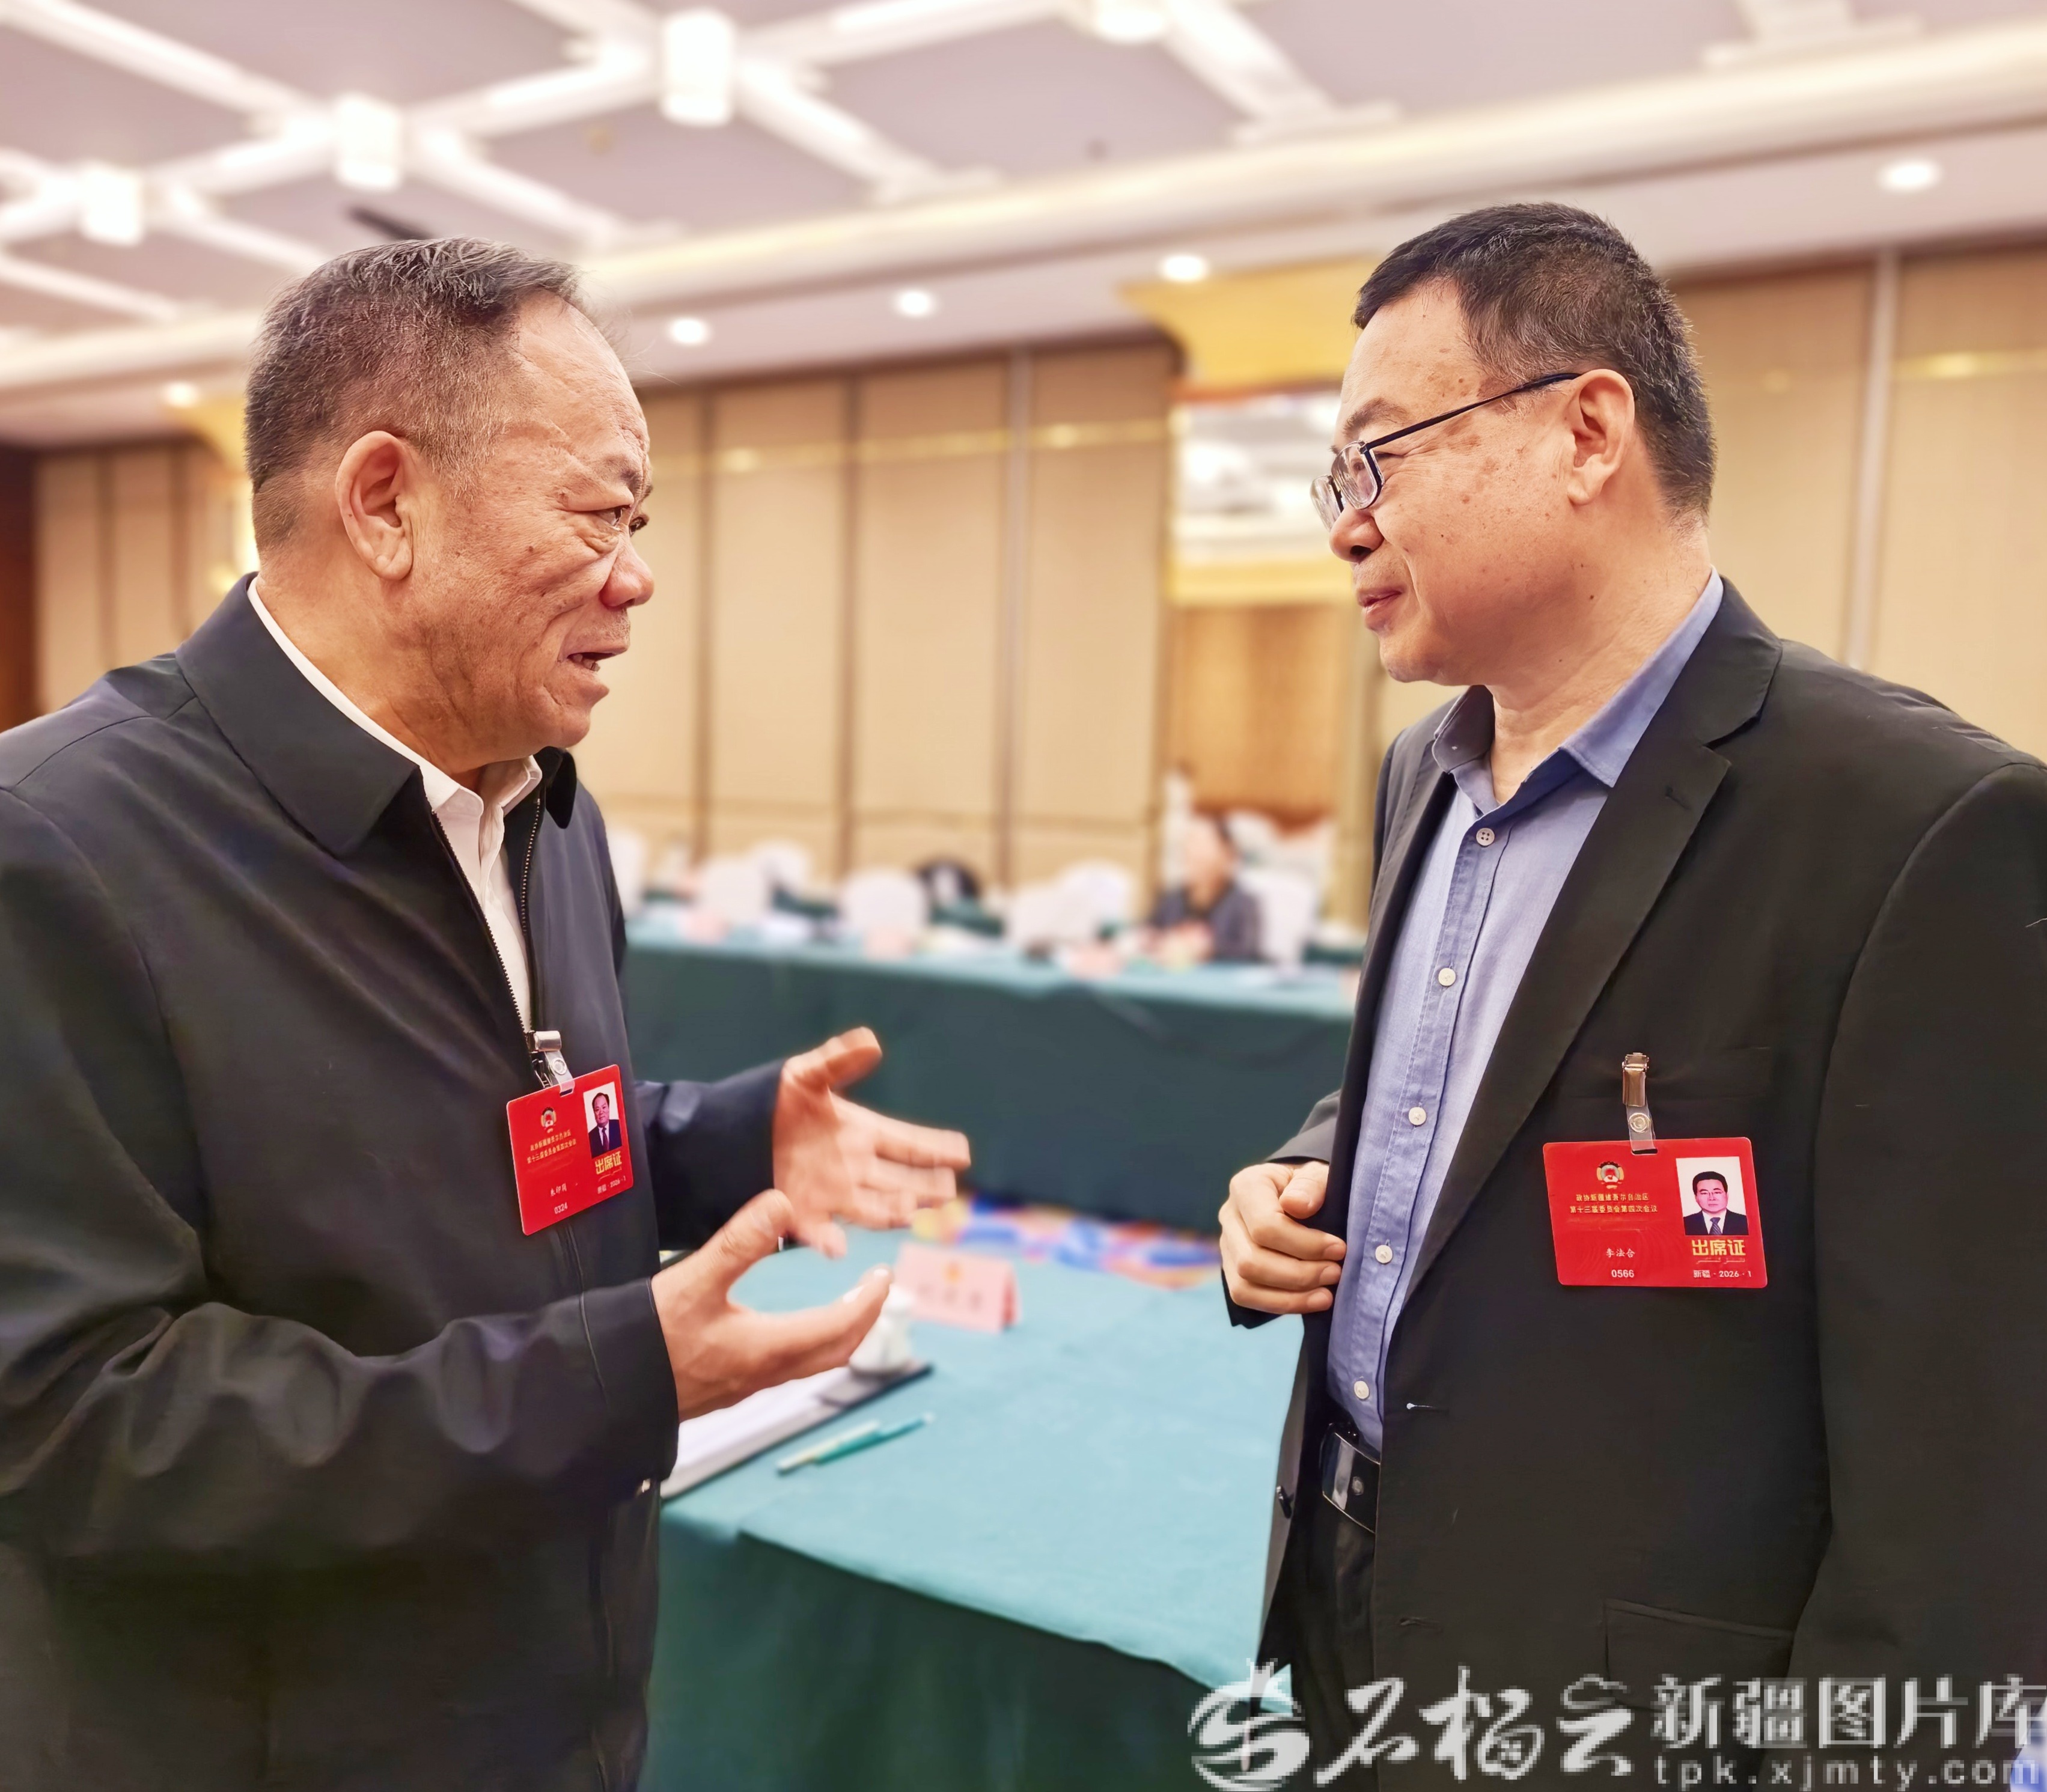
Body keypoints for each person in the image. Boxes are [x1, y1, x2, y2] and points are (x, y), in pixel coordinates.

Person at [0, 239, 971, 1792]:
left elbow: (481, 1147)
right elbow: (72, 1421)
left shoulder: (538, 810)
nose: (636, 576)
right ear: (386, 503)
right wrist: (606, 1378)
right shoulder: (58, 847)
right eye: (598, 512)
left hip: (559, 1706)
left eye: (639, 523)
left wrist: (715, 1143)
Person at [1218, 203, 2047, 1777]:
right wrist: (1314, 1163)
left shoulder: (1915, 827)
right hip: (1352, 1615)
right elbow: (1490, 1079)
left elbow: (1967, 1490)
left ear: (1584, 432)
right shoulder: (1422, 771)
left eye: (1375, 456)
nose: (1343, 525)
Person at [1147, 811, 1263, 963]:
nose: (1191, 851)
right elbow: (1149, 934)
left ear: (1226, 852)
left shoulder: (1244, 904)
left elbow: (1248, 952)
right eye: (1189, 842)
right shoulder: (1171, 900)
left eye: (1202, 844)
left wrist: (1210, 949)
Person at [1682, 1169, 1746, 1236]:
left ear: (1727, 1195)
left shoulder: (1745, 1222)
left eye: (1717, 1192)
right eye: (1704, 1193)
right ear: (1696, 1197)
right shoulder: (1684, 1224)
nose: (1712, 1198)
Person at [589, 1087, 623, 1156]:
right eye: (597, 1110)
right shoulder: (590, 1137)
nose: (601, 1112)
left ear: (609, 1108)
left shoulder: (620, 1125)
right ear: (594, 1113)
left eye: (604, 1107)